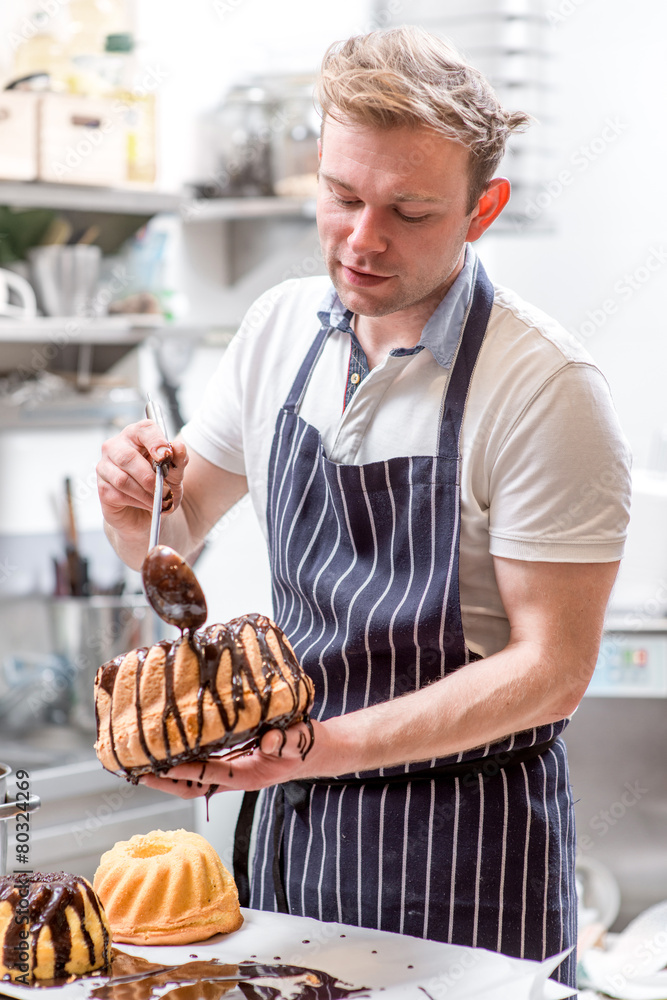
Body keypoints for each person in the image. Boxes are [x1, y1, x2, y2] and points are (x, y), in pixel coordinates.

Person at [97, 25, 631, 988]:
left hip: (463, 857)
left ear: (483, 209)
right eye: (341, 196)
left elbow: (553, 668)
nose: (361, 238)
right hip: (289, 845)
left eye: (409, 211)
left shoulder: (544, 386)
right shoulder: (274, 332)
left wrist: (311, 748)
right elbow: (170, 540)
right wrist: (129, 498)